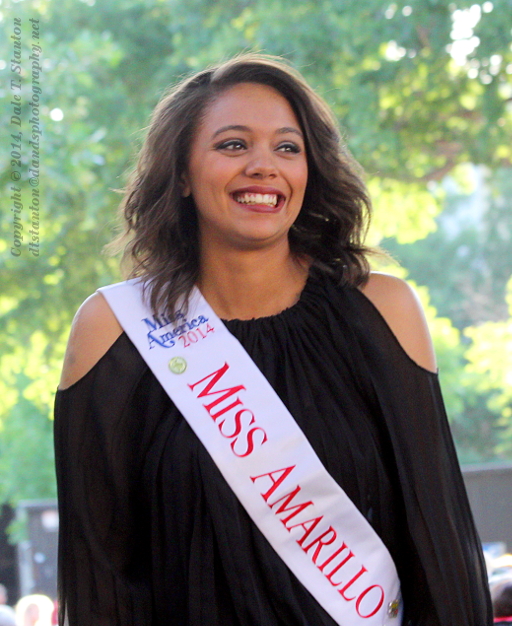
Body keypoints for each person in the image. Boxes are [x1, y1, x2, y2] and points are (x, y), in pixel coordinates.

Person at [54, 53, 492, 626]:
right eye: (233, 145)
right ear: (181, 174)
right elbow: (102, 576)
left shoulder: (379, 311)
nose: (265, 166)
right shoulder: (114, 330)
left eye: (288, 148)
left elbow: (438, 545)